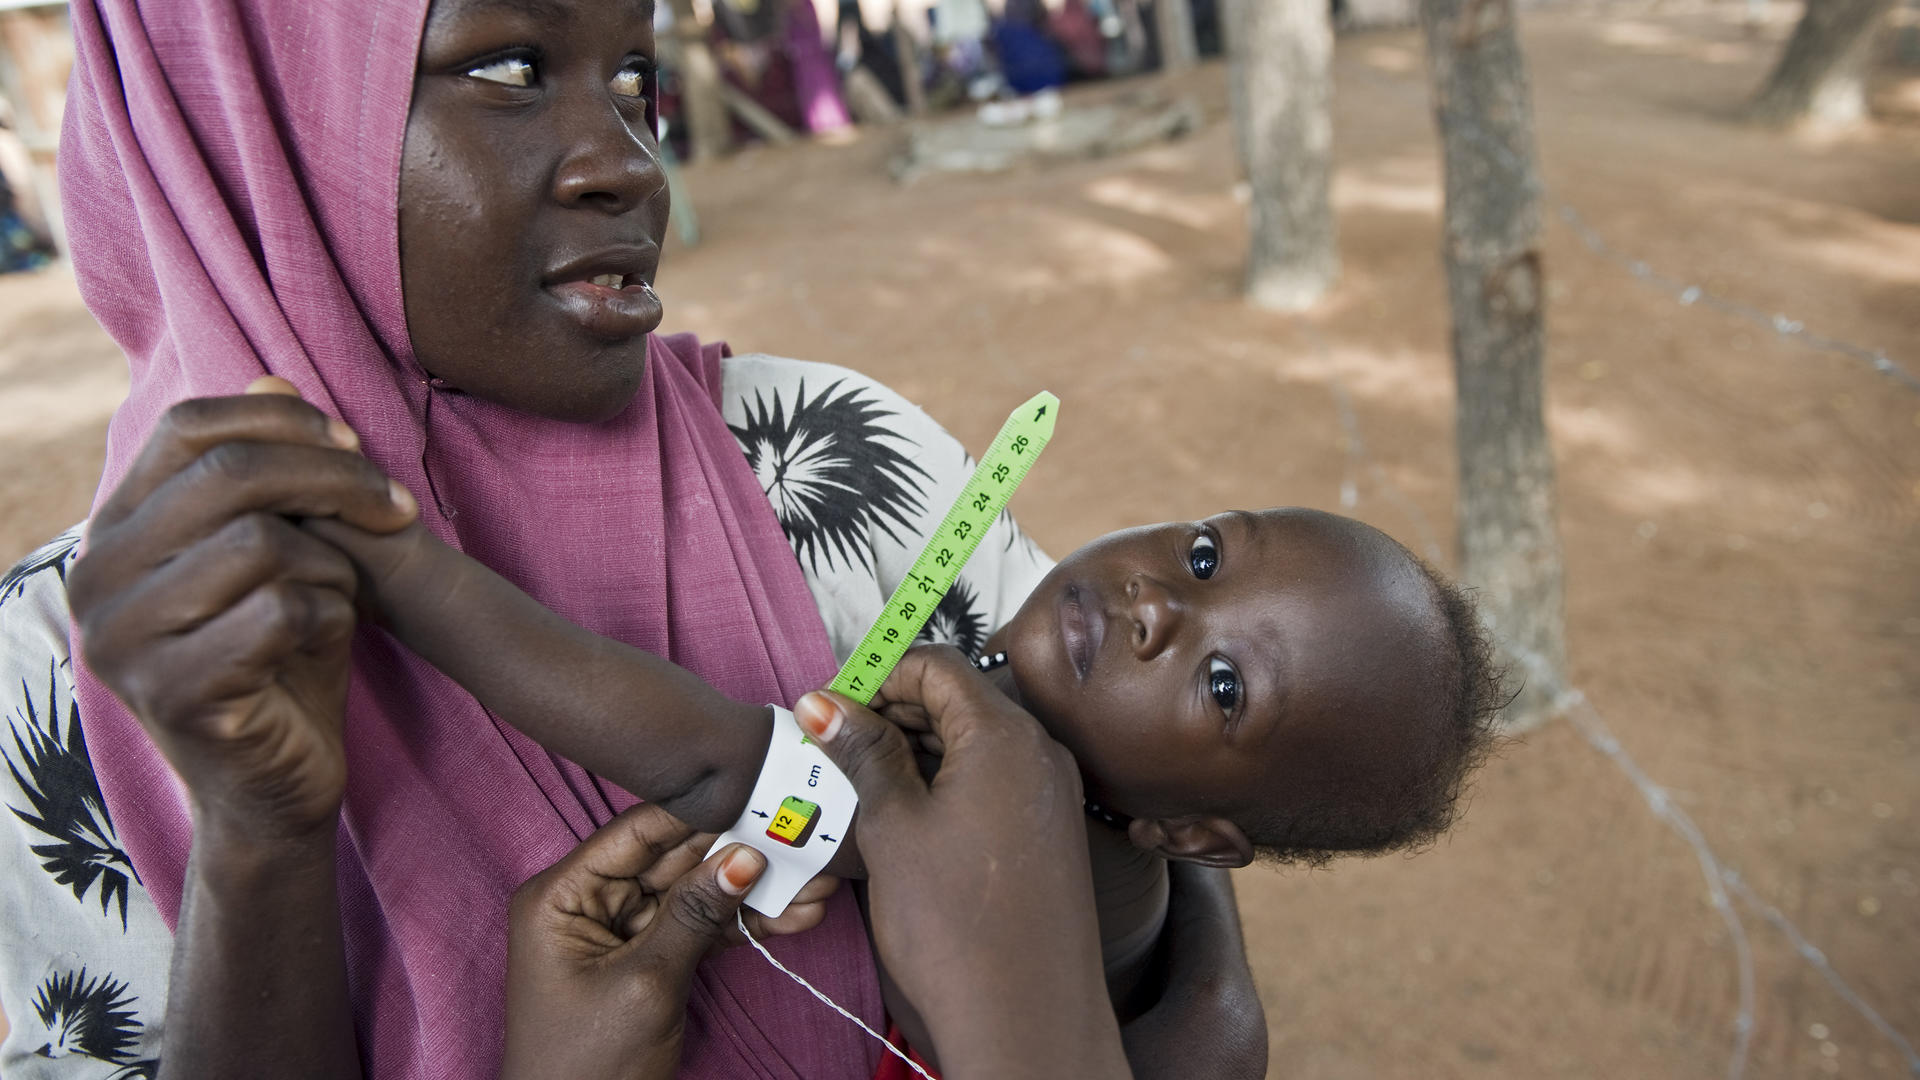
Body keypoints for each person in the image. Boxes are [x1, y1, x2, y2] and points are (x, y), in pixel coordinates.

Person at [0, 0, 1263, 1076]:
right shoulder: (55, 686)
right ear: (244, 113)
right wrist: (259, 844)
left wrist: (1168, 969)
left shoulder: (834, 461)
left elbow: (1140, 786)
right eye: (506, 69)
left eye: (634, 77)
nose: (629, 164)